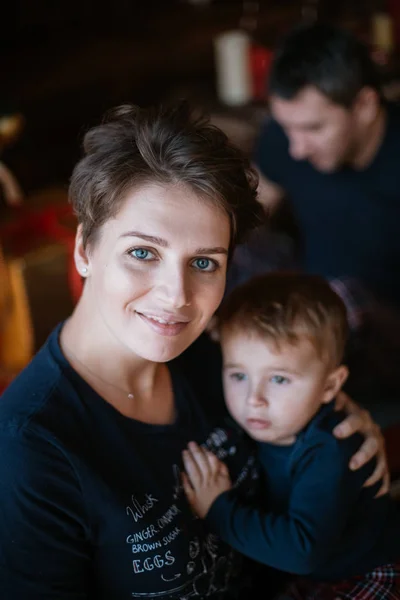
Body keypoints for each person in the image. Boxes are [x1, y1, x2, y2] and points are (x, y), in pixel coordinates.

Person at [0, 102, 388, 600]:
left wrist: (336, 423)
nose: (176, 296)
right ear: (84, 251)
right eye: (143, 253)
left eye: (204, 263)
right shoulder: (28, 450)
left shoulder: (219, 357)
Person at [182, 272, 400, 600]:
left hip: (364, 569)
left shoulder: (330, 448)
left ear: (330, 386)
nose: (254, 398)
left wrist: (217, 508)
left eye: (280, 380)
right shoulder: (269, 417)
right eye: (239, 375)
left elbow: (302, 551)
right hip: (312, 572)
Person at [248, 21, 400, 426]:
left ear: (365, 105)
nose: (296, 148)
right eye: (287, 128)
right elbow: (251, 209)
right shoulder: (286, 139)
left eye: (314, 128)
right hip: (315, 328)